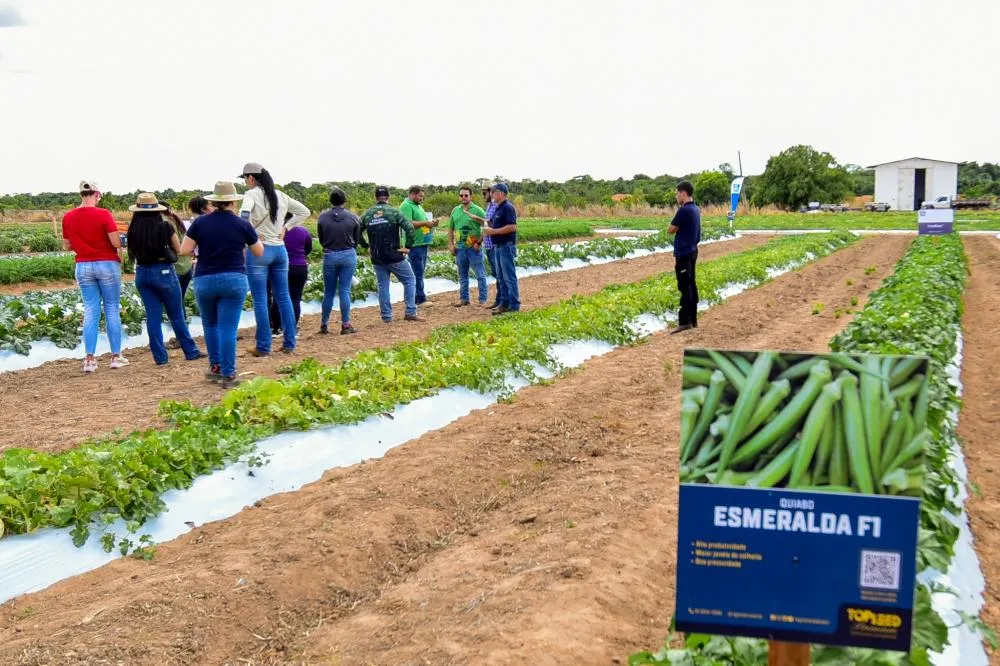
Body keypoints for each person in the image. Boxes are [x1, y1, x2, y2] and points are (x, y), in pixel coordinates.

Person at [181, 181, 264, 388]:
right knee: (228, 327)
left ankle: (215, 367)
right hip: (234, 278)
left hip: (204, 278)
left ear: (214, 201)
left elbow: (184, 249)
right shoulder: (242, 224)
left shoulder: (200, 223)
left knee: (210, 324)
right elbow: (258, 252)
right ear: (233, 203)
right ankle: (229, 374)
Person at [237, 162, 310, 356]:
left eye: (245, 178)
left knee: (261, 299)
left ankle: (263, 346)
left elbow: (243, 216)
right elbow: (304, 211)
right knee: (283, 296)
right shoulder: (281, 195)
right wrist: (286, 227)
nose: (245, 182)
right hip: (280, 251)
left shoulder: (251, 195)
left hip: (259, 251)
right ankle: (289, 342)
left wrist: (250, 233)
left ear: (251, 178)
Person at [125, 193, 204, 365]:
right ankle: (191, 351)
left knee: (153, 317)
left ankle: (160, 357)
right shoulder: (165, 226)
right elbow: (179, 249)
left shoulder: (133, 229)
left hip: (142, 273)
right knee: (176, 315)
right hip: (164, 272)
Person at [61, 180, 128, 373]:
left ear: (81, 194)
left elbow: (67, 245)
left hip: (83, 265)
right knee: (112, 307)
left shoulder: (68, 217)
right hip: (106, 264)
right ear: (97, 194)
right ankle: (116, 356)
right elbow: (115, 242)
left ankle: (89, 359)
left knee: (91, 310)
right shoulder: (103, 214)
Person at [359, 185, 424, 323]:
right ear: (388, 197)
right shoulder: (394, 212)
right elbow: (409, 229)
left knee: (383, 285)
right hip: (394, 255)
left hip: (377, 256)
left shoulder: (367, 214)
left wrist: (366, 246)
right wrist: (407, 247)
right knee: (410, 280)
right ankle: (410, 312)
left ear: (376, 197)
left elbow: (356, 231)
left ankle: (387, 317)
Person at [317, 187, 361, 334]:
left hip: (330, 255)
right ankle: (346, 325)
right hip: (348, 254)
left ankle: (324, 324)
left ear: (331, 201)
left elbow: (322, 239)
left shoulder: (322, 217)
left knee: (328, 292)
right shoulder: (353, 217)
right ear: (344, 201)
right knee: (344, 290)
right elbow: (357, 239)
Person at [668, 179, 702, 334]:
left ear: (683, 193)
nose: (676, 196)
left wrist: (677, 228)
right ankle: (693, 319)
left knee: (684, 286)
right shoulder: (696, 209)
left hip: (684, 253)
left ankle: (684, 321)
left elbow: (670, 229)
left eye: (677, 193)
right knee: (691, 284)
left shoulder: (684, 210)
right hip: (693, 250)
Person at [268, 218, 312, 335]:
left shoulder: (275, 231)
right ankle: (292, 327)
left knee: (277, 298)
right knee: (295, 298)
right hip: (299, 266)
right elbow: (308, 248)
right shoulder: (303, 231)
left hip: (279, 266)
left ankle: (276, 328)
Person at [482, 182, 519, 315]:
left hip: (505, 246)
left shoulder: (508, 208)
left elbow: (512, 227)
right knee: (501, 277)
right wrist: (486, 223)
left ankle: (514, 305)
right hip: (497, 246)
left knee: (509, 276)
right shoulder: (498, 207)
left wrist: (493, 232)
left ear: (501, 193)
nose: (491, 194)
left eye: (494, 192)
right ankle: (504, 303)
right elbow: (494, 224)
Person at [448, 186, 489, 307]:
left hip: (473, 248)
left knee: (480, 274)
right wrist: (450, 244)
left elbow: (487, 226)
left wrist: (479, 242)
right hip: (460, 248)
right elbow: (450, 228)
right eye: (461, 195)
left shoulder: (477, 210)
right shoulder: (455, 210)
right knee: (462, 275)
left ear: (471, 196)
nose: (463, 198)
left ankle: (483, 300)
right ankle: (464, 299)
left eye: (466, 195)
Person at [398, 185, 437, 306]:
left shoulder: (418, 206)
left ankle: (413, 296)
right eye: (420, 196)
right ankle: (420, 298)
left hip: (422, 243)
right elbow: (408, 223)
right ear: (413, 194)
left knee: (419, 271)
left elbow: (422, 222)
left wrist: (431, 223)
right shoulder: (406, 206)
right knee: (417, 272)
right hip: (414, 244)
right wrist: (426, 223)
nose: (421, 198)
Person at [480, 183, 500, 308]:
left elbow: (494, 225)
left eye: (484, 193)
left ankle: (501, 300)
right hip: (489, 245)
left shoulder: (496, 206)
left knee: (499, 275)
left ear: (491, 192)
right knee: (496, 274)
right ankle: (499, 300)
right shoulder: (489, 206)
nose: (483, 196)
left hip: (494, 246)